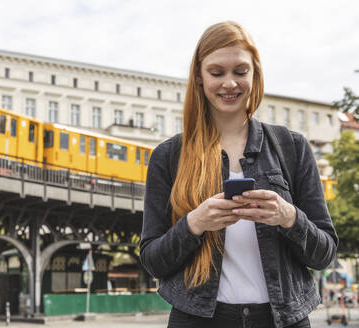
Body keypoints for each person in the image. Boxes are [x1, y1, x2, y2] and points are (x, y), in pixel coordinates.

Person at [139, 21, 338, 328]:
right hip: (199, 320)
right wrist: (194, 223)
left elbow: (324, 254)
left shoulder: (292, 147)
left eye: (240, 72)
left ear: (255, 75)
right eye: (217, 72)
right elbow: (153, 260)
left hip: (282, 320)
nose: (229, 83)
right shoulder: (168, 156)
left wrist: (288, 217)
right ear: (199, 77)